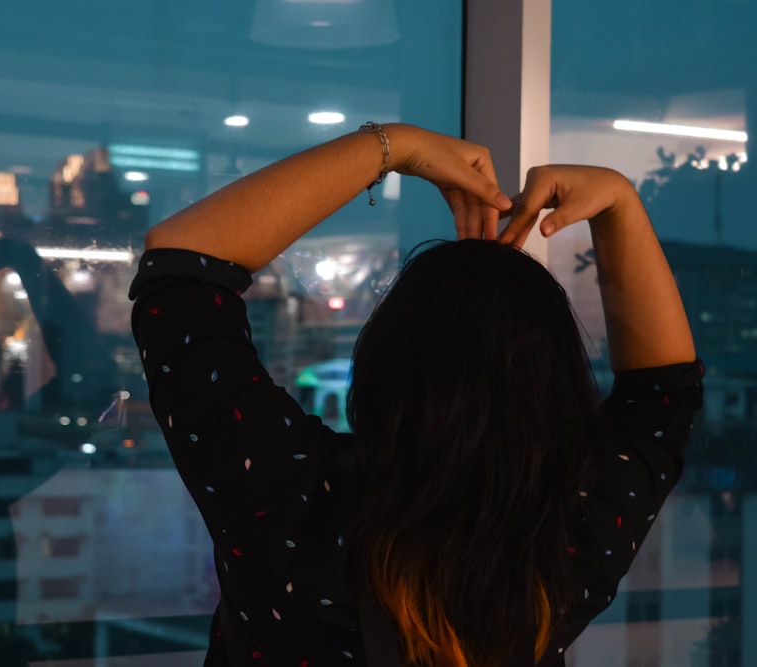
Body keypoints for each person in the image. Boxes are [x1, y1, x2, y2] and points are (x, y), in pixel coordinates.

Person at [129, 123, 702, 666]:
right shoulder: (571, 536)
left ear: (382, 366)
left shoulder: (290, 493)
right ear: (559, 388)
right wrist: (620, 203)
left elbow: (181, 273)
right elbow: (662, 399)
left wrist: (392, 146)